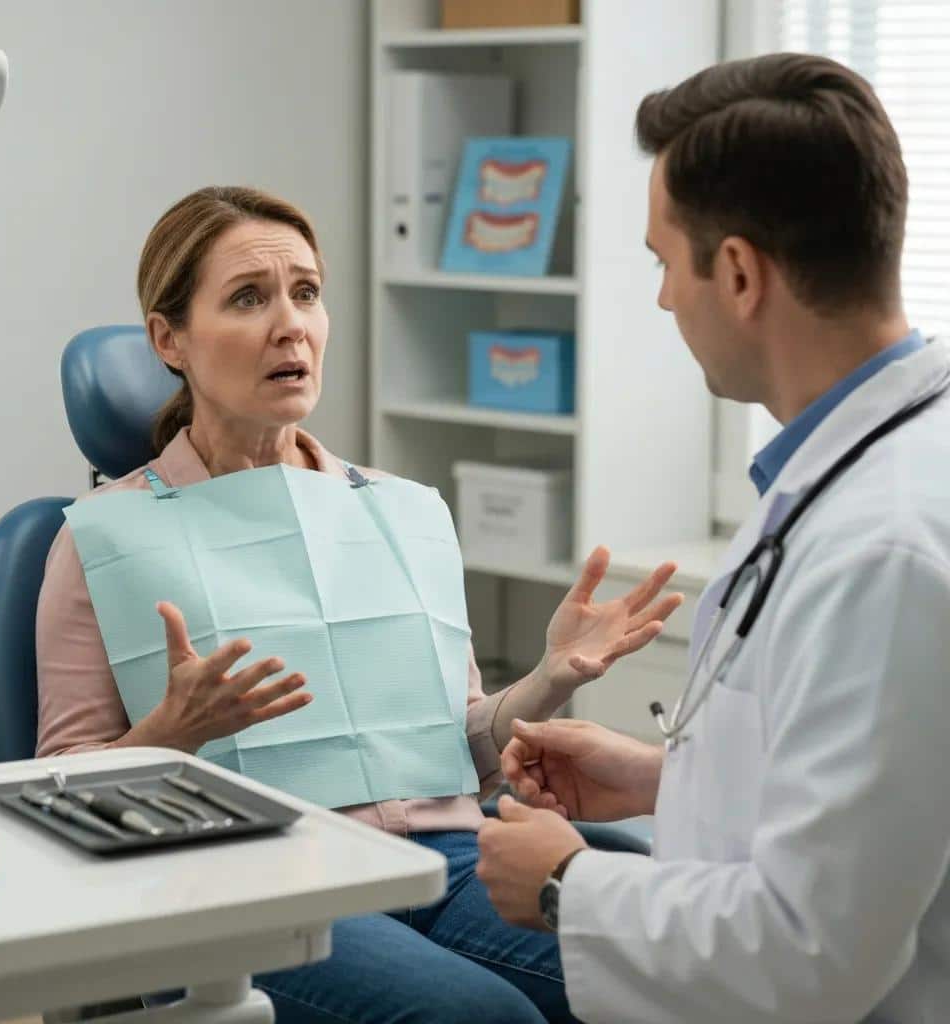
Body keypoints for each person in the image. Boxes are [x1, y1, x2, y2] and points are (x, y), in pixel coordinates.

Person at [35, 186, 684, 1024]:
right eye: (247, 298)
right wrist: (173, 734)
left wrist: (552, 679)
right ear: (170, 340)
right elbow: (49, 791)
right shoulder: (103, 536)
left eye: (305, 293)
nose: (290, 325)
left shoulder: (402, 510)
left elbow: (460, 753)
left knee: (664, 973)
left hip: (446, 858)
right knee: (486, 1019)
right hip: (253, 877)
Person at [476, 52, 950, 1024]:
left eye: (662, 261)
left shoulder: (885, 544)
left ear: (736, 272)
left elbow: (815, 950)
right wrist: (663, 776)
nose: (660, 299)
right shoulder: (865, 463)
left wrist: (569, 884)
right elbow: (888, 791)